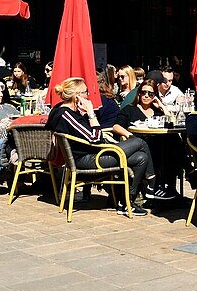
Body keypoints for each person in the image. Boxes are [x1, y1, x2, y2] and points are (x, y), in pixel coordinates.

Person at [47, 77, 154, 216]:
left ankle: (127, 202)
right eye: (86, 92)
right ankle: (152, 183)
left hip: (95, 153)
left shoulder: (69, 112)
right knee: (139, 142)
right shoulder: (66, 114)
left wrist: (84, 114)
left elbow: (89, 134)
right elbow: (95, 138)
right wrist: (91, 113)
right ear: (77, 96)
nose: (88, 95)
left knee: (141, 157)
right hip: (88, 160)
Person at [112, 79, 176, 201]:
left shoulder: (157, 111)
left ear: (155, 96)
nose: (146, 96)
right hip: (139, 144)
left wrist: (161, 105)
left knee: (172, 141)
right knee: (168, 147)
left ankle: (169, 189)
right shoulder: (130, 109)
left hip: (157, 143)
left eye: (150, 94)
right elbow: (116, 126)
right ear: (139, 93)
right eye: (143, 92)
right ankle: (155, 187)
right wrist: (129, 135)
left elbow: (171, 121)